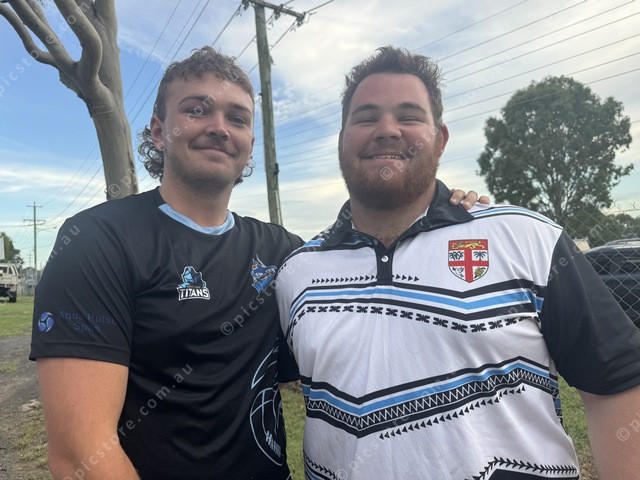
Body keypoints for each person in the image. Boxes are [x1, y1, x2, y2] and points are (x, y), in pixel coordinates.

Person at [30, 46, 485, 480]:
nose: (219, 127)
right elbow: (78, 453)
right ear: (158, 131)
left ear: (250, 143)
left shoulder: (286, 253)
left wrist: (445, 211)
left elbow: (379, 319)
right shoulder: (98, 241)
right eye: (196, 110)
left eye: (237, 118)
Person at [276, 46, 640, 480]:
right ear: (341, 139)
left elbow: (617, 384)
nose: (387, 130)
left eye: (409, 115)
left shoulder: (528, 238)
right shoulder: (296, 273)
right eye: (366, 117)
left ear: (440, 139)